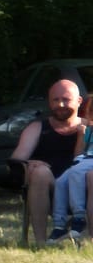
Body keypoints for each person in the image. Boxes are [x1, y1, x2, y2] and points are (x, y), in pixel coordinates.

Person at [11, 79, 84, 245]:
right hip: (48, 187)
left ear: (79, 101)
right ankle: (41, 243)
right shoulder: (37, 128)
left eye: (66, 99)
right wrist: (29, 163)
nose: (60, 104)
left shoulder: (90, 129)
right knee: (39, 173)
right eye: (55, 100)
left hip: (83, 187)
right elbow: (16, 163)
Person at [47, 96, 93, 243]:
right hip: (83, 160)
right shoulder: (89, 131)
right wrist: (81, 135)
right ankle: (59, 225)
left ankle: (79, 217)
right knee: (60, 181)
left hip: (89, 162)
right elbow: (78, 155)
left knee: (76, 172)